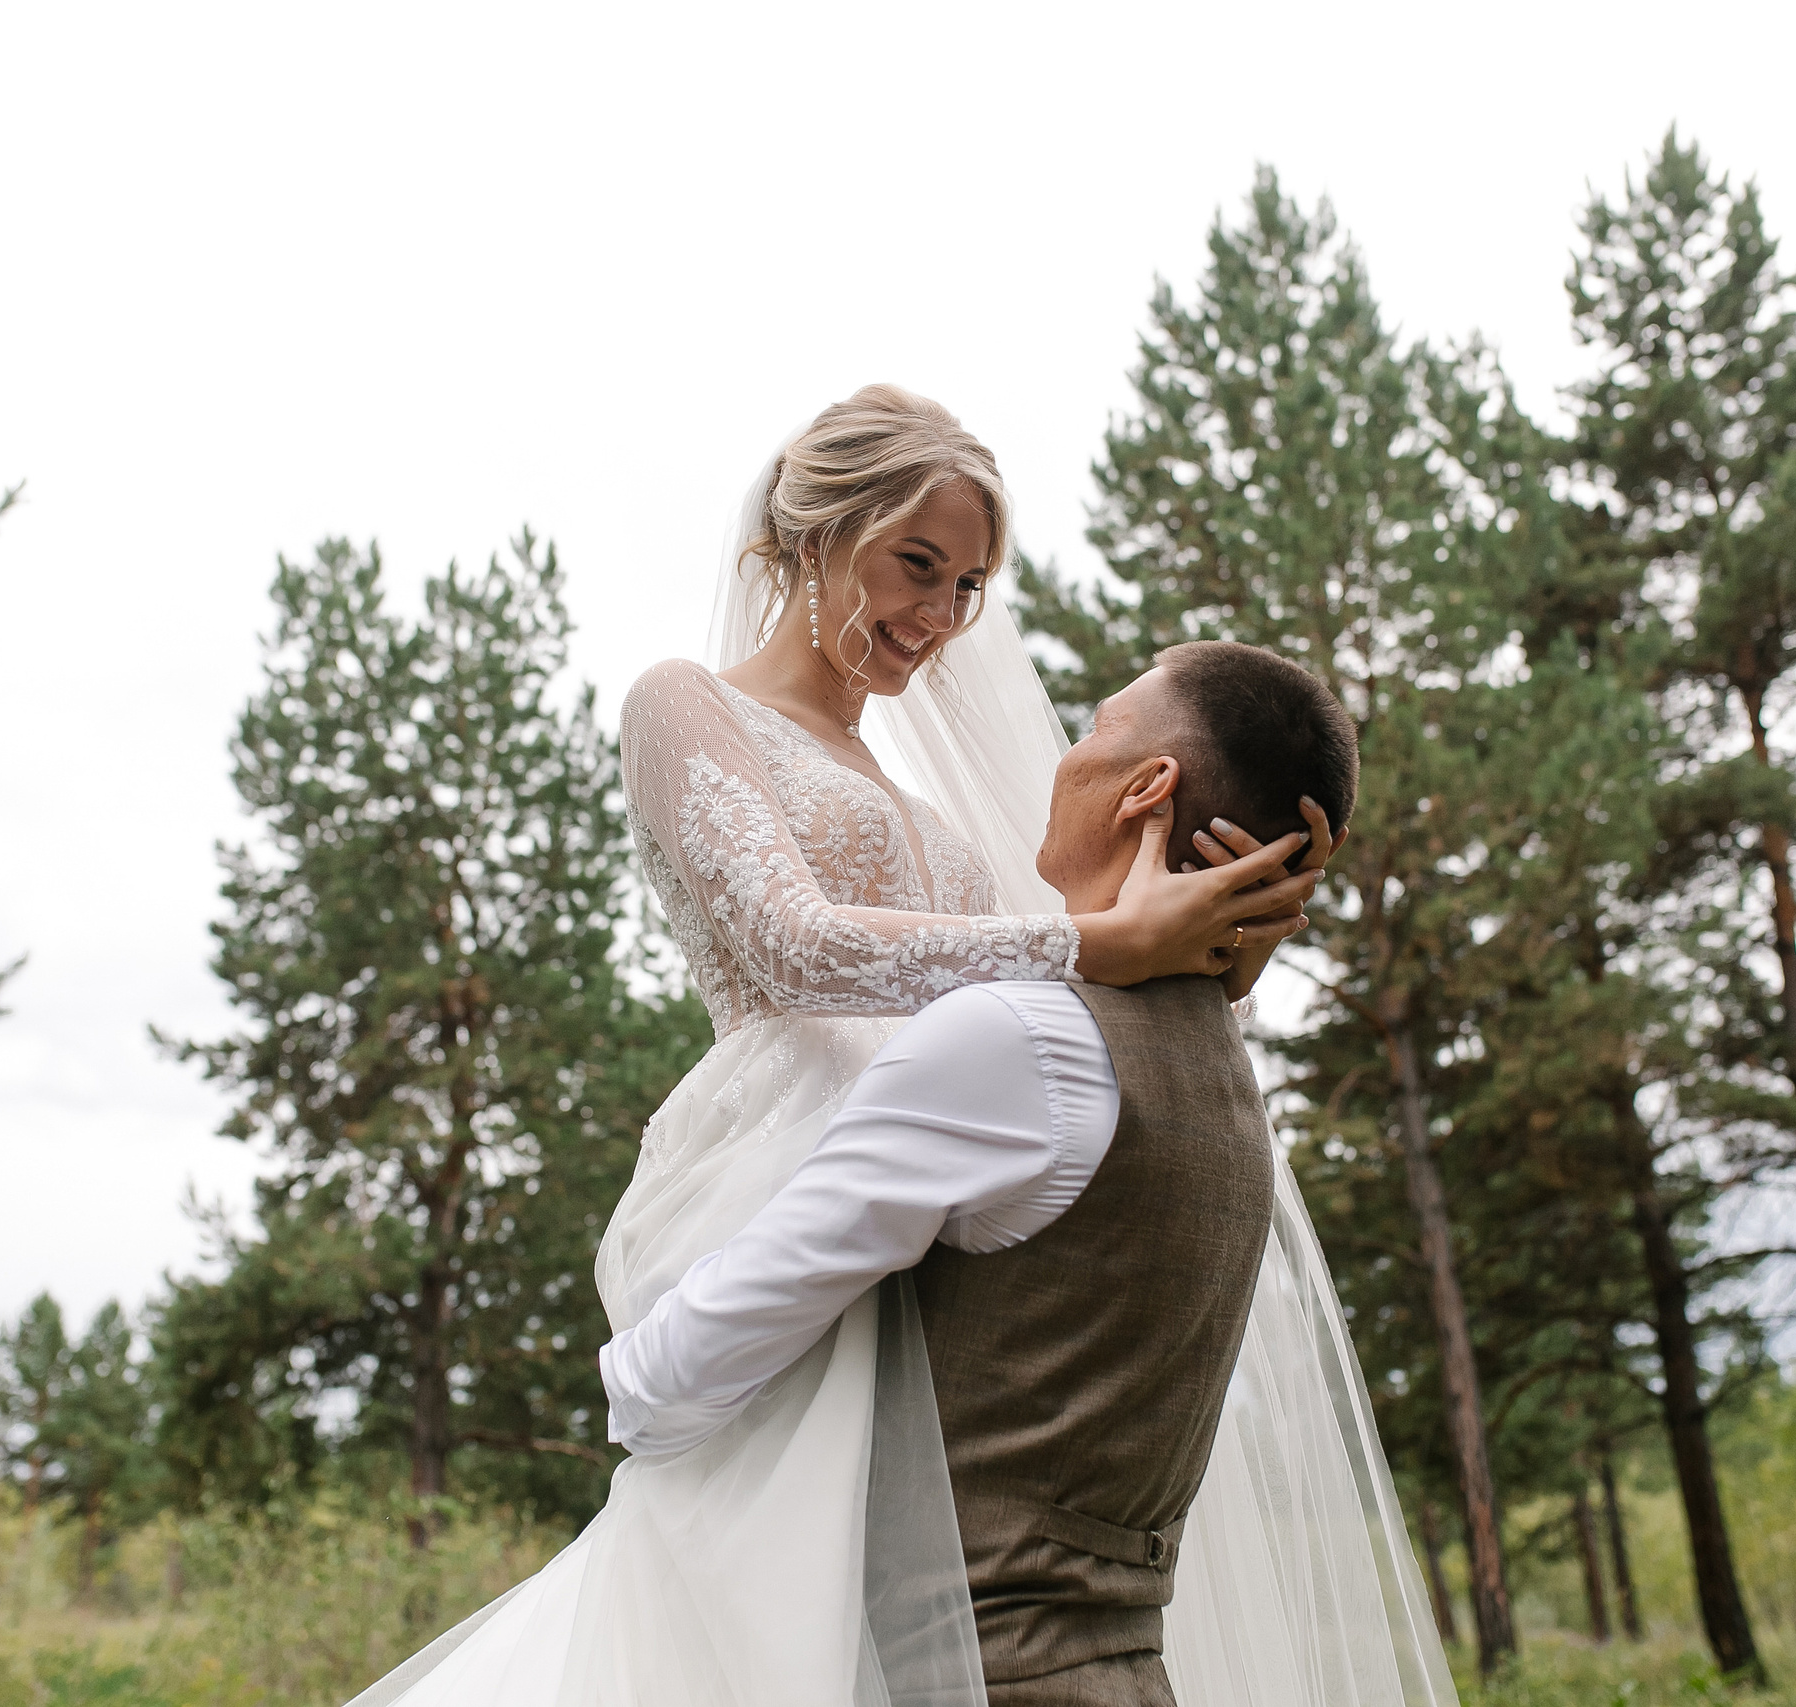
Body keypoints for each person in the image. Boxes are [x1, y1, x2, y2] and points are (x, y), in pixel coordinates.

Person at [346, 387, 1451, 1707]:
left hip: (931, 1211)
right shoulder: (685, 705)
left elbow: (1070, 1034)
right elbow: (794, 945)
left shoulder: (923, 803)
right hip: (774, 1167)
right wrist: (1095, 942)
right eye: (916, 563)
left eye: (968, 585)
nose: (939, 615)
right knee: (741, 1592)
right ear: (814, 531)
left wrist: (1222, 948)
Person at [604, 642, 1375, 1706]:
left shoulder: (1009, 1042)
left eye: (1097, 729)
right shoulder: (1224, 1081)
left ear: (1146, 787)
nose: (1064, 754)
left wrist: (630, 1347)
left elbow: (665, 1386)